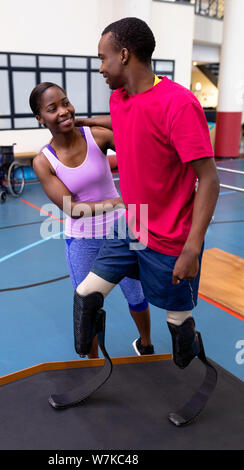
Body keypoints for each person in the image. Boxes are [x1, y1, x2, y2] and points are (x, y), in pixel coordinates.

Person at [73, 17, 220, 369]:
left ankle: (188, 343)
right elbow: (130, 119)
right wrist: (91, 122)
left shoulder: (179, 105)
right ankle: (87, 365)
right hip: (131, 224)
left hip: (171, 238)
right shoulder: (119, 100)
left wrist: (192, 249)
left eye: (103, 58)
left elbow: (210, 180)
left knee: (178, 330)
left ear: (124, 55)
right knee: (86, 296)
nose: (100, 68)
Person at [29, 81, 154, 359]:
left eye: (65, 103)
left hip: (121, 231)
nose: (63, 111)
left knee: (136, 293)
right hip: (83, 239)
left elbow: (132, 126)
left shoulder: (97, 136)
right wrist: (118, 202)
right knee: (88, 303)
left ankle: (146, 344)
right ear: (40, 118)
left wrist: (83, 120)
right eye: (53, 109)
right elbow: (70, 208)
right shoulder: (44, 161)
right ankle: (93, 362)